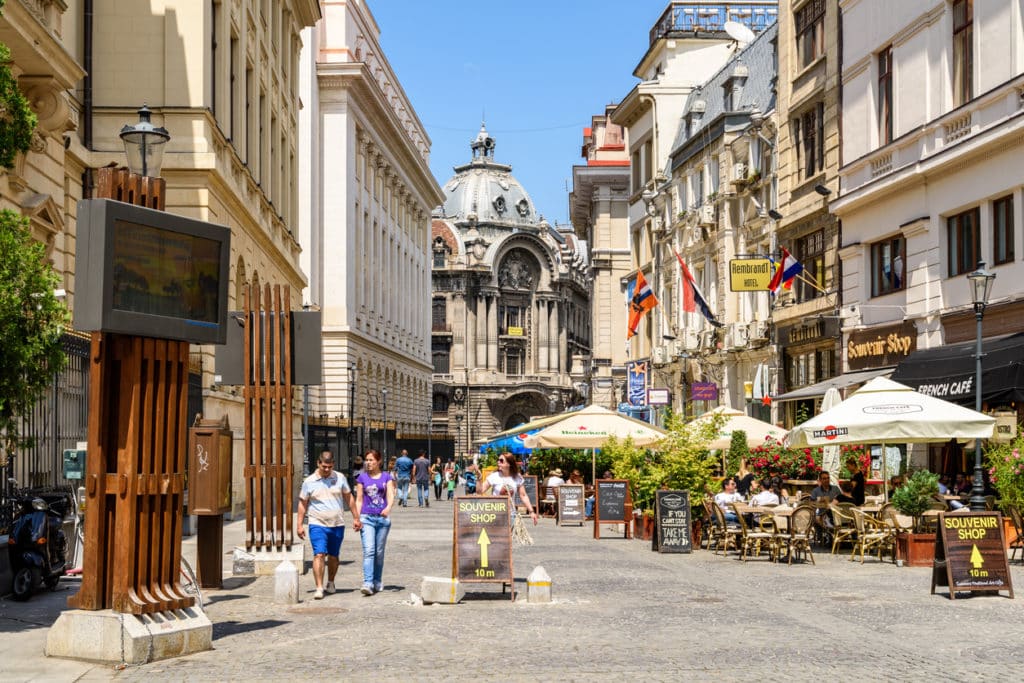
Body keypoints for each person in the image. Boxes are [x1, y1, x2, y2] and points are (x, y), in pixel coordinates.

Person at [296, 451, 361, 599]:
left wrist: (356, 517)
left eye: (329, 467)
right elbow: (302, 503)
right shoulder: (309, 481)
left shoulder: (340, 478)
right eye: (324, 466)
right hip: (317, 523)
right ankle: (319, 587)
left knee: (333, 556)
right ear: (318, 463)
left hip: (337, 523)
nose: (326, 469)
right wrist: (299, 524)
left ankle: (330, 582)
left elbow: (349, 497)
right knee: (319, 554)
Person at [354, 449, 395, 595]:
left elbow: (390, 495)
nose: (368, 462)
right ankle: (368, 582)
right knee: (369, 550)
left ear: (379, 461)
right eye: (367, 460)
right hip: (367, 518)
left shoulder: (386, 477)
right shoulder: (361, 478)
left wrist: (388, 507)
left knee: (379, 552)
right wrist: (356, 518)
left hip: (383, 519)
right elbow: (358, 500)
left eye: (371, 460)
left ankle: (377, 580)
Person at [481, 452, 538, 526]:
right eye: (498, 460)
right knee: (496, 537)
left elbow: (523, 495)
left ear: (509, 464)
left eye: (501, 461)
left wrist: (531, 511)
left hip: (510, 513)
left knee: (510, 537)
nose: (498, 462)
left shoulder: (517, 477)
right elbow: (481, 490)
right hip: (495, 513)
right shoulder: (494, 476)